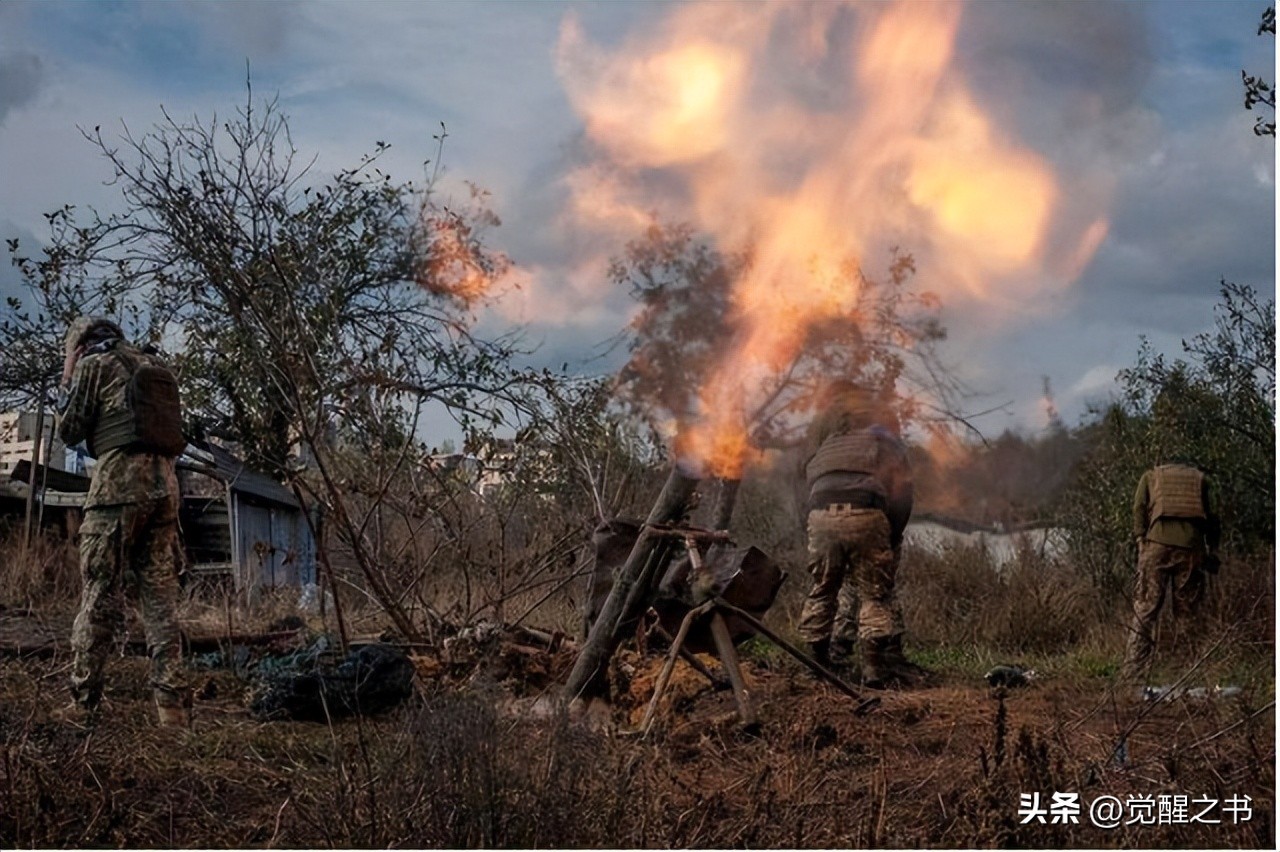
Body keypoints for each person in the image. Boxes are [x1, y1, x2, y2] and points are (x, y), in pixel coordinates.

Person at [54, 317, 190, 726]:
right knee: (161, 600)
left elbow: (68, 430)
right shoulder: (154, 367)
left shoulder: (94, 367)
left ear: (80, 345)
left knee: (98, 596)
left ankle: (82, 703)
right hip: (165, 491)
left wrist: (68, 372)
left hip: (116, 492)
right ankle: (171, 710)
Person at [798, 380, 923, 688]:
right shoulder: (884, 440)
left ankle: (818, 664)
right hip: (866, 513)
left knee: (823, 588)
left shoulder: (827, 443)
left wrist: (812, 524)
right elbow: (903, 493)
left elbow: (805, 488)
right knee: (874, 593)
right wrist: (892, 536)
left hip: (820, 515)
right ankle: (873, 670)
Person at [1121, 460, 1220, 682]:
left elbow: (1138, 508)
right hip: (1191, 550)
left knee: (1145, 609)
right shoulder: (1201, 479)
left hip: (1156, 547)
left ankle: (1132, 673)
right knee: (1187, 613)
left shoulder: (1150, 476)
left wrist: (1140, 540)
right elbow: (1212, 519)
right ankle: (1187, 672)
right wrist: (1212, 549)